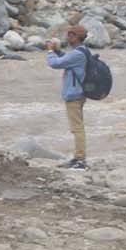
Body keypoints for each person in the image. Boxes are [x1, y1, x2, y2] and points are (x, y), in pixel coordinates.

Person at [46, 25, 91, 169]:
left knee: (77, 129)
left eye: (70, 35)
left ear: (76, 37)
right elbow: (66, 59)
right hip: (79, 93)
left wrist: (50, 51)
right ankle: (78, 157)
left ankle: (80, 160)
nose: (67, 38)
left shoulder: (77, 54)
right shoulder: (81, 51)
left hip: (74, 95)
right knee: (77, 127)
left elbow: (55, 64)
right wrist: (58, 51)